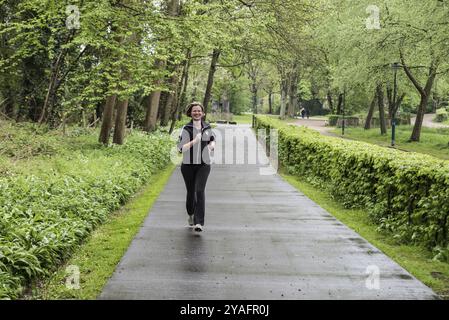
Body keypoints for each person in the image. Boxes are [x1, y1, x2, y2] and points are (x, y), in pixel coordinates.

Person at [177, 102, 215, 233]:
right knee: (191, 192)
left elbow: (212, 139)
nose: (197, 113)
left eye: (199, 111)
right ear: (190, 113)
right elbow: (181, 148)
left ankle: (199, 222)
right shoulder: (186, 128)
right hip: (188, 165)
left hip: (204, 164)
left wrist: (211, 146)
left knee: (199, 190)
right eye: (194, 111)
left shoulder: (207, 127)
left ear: (203, 113)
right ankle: (191, 214)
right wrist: (195, 141)